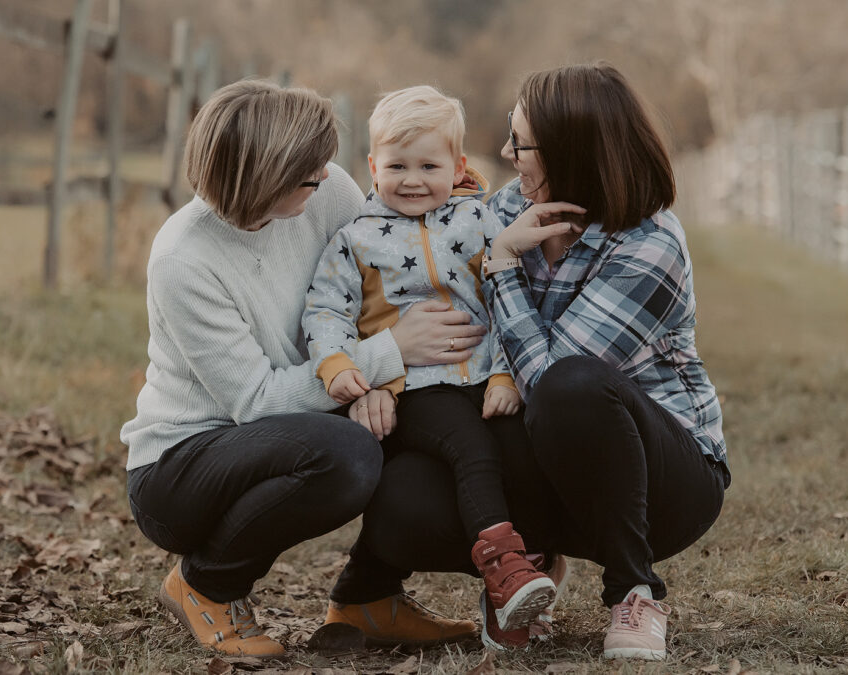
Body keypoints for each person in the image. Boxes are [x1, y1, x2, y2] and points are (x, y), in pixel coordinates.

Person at [327, 62, 730, 661]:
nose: (505, 152)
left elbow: (548, 382)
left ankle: (634, 590)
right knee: (401, 502)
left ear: (570, 152)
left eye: (519, 141)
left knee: (573, 387)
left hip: (661, 481)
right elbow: (402, 244)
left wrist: (503, 266)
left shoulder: (649, 244)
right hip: (549, 459)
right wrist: (379, 370)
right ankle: (525, 561)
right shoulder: (511, 204)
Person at [119, 79, 487, 657]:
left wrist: (378, 386)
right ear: (265, 178)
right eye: (309, 176)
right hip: (186, 467)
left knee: (426, 418)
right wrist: (389, 352)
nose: (327, 181)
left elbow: (378, 273)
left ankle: (368, 596)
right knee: (346, 455)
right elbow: (256, 401)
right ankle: (207, 584)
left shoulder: (325, 187)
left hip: (317, 406)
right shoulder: (183, 260)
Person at [303, 86, 555, 636]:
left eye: (428, 165)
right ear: (372, 166)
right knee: (473, 449)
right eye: (397, 165)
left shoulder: (478, 222)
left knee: (519, 449)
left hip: (486, 377)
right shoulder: (355, 240)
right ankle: (503, 571)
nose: (412, 179)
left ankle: (522, 579)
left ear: (458, 166)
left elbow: (512, 303)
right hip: (415, 389)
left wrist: (508, 373)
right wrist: (341, 367)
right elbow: (325, 312)